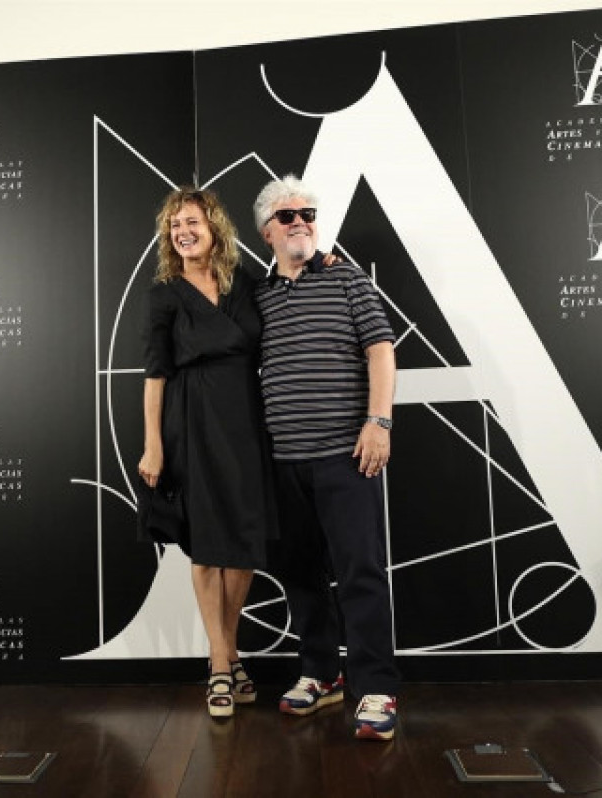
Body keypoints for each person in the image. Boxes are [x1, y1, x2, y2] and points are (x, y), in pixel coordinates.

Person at [252, 175, 400, 741]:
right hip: (282, 461)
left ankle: (376, 687)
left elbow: (380, 350)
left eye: (308, 214)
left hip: (347, 455)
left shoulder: (347, 278)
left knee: (361, 572)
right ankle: (320, 672)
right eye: (287, 216)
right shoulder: (258, 296)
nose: (301, 223)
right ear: (267, 231)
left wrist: (379, 422)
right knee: (301, 574)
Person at [137, 187, 277, 718]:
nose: (183, 232)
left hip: (245, 420)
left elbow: (289, 291)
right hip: (190, 422)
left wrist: (322, 262)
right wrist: (153, 445)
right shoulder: (164, 294)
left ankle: (228, 649)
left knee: (241, 544)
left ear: (214, 226)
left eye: (191, 221)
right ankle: (221, 663)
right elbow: (155, 375)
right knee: (207, 545)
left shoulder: (247, 283)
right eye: (175, 225)